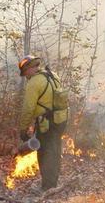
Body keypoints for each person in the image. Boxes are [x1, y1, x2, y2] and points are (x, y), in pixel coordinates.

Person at [18, 54, 68, 191]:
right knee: (55, 150)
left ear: (29, 68)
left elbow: (28, 109)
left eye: (25, 73)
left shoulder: (34, 83)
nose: (26, 76)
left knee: (45, 153)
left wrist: (23, 129)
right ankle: (53, 183)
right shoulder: (53, 75)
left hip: (46, 123)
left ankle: (47, 187)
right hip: (61, 119)